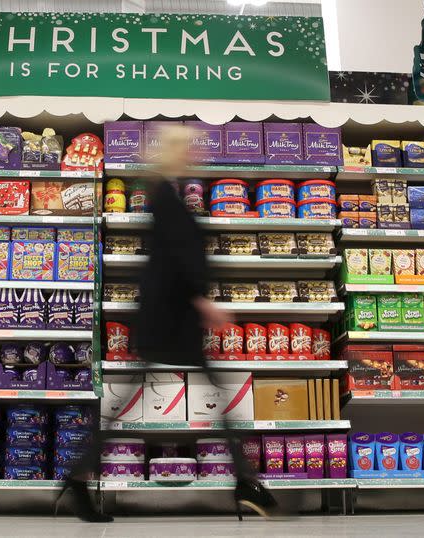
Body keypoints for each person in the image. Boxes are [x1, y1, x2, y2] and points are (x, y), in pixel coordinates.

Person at [135, 125, 281, 520]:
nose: (193, 154)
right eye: (187, 148)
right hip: (170, 319)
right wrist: (203, 299)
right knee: (219, 403)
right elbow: (178, 256)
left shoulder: (169, 191)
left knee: (216, 402)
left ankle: (246, 484)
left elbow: (176, 254)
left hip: (169, 317)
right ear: (173, 153)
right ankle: (248, 485)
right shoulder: (165, 194)